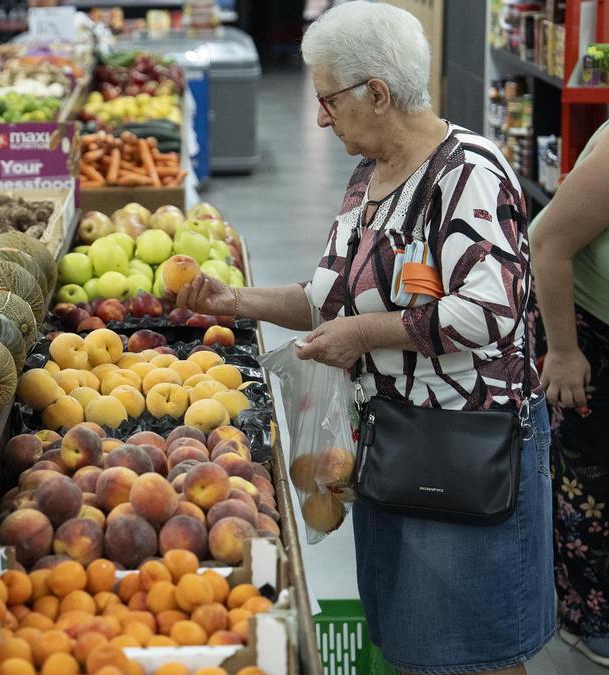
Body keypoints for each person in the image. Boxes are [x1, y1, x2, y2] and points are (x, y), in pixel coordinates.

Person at [178, 4, 552, 674]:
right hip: (393, 444)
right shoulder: (369, 177)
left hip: (467, 450)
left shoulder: (470, 174)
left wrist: (363, 334)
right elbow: (329, 295)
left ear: (376, 93)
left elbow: (489, 311)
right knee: (413, 645)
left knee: (474, 656)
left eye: (327, 99)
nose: (320, 116)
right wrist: (231, 298)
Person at [529, 120, 609, 667]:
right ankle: (584, 616)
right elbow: (546, 242)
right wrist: (562, 351)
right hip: (583, 331)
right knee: (588, 483)